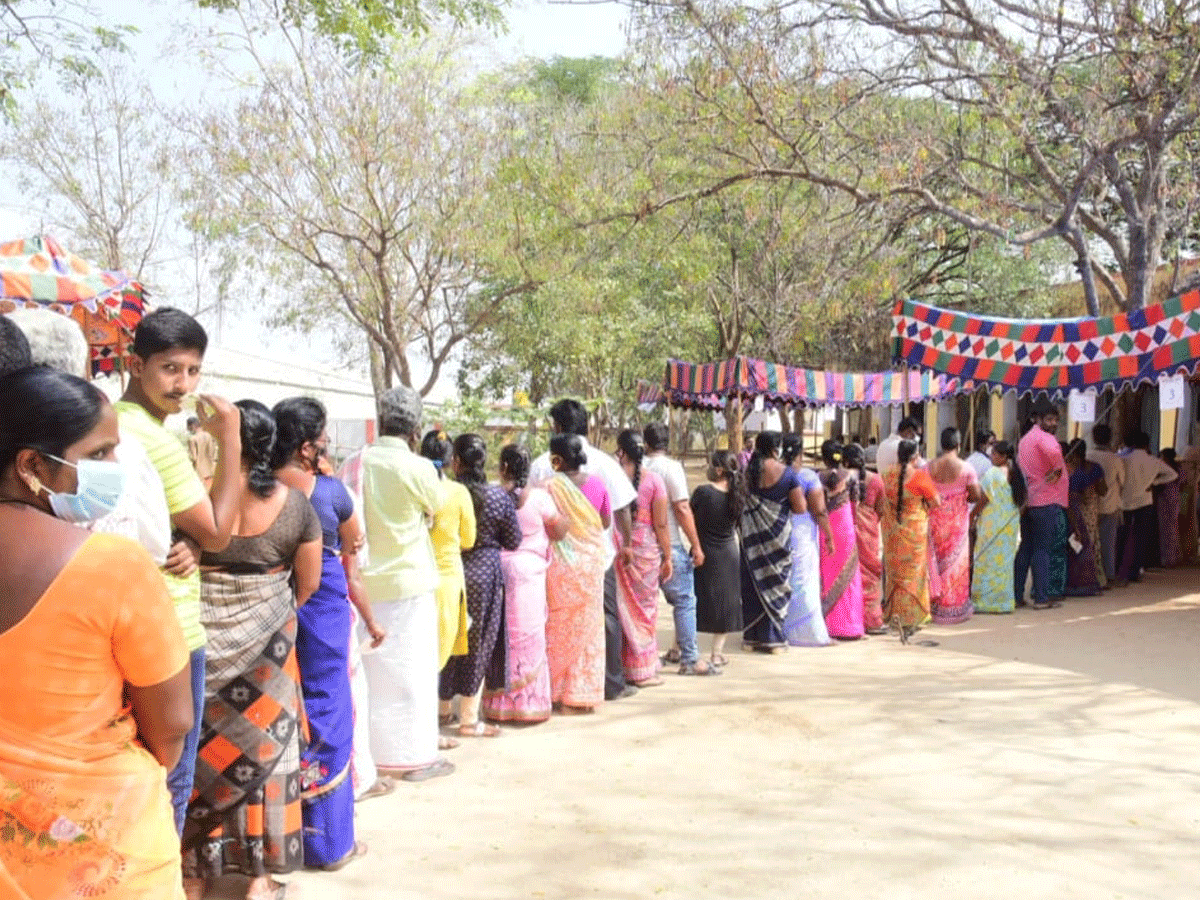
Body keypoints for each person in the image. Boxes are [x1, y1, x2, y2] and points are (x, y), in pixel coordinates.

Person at [0, 366, 192, 899]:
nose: (115, 469)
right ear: (31, 465)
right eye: (100, 454)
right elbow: (172, 725)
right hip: (105, 846)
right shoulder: (113, 566)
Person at [184, 399, 323, 899]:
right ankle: (259, 878)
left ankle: (194, 872)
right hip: (267, 662)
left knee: (200, 755)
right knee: (268, 758)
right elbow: (306, 586)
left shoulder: (195, 498)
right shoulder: (295, 505)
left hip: (200, 656)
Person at [114, 307, 242, 835]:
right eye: (170, 369)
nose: (183, 384)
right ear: (135, 363)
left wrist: (184, 536)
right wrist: (230, 436)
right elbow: (218, 532)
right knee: (166, 782)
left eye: (192, 371)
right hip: (170, 630)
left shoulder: (111, 423)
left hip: (132, 618)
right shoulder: (154, 438)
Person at [273, 397, 387, 870]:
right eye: (321, 436)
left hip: (273, 615)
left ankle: (281, 840)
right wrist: (374, 622)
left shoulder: (258, 490)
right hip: (321, 615)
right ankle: (329, 844)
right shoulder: (329, 493)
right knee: (329, 714)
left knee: (282, 715)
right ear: (307, 446)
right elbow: (354, 551)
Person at [359, 386, 454, 781]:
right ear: (415, 430)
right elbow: (437, 506)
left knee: (372, 677)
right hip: (410, 583)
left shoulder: (356, 462)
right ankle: (413, 757)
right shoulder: (418, 468)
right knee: (412, 675)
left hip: (365, 585)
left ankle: (372, 757)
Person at [529, 399, 637, 701]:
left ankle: (553, 686)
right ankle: (610, 684)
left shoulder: (544, 465)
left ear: (558, 427)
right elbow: (621, 510)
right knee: (605, 619)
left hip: (555, 559)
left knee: (555, 619)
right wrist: (626, 544)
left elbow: (530, 508)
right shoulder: (604, 463)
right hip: (596, 558)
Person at [439, 434, 521, 737]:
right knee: (479, 644)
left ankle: (443, 708)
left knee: (448, 640)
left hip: (451, 571)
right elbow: (514, 539)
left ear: (456, 462)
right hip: (485, 575)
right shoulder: (498, 497)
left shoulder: (443, 494)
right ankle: (469, 719)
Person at [483, 444, 568, 723]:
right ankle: (529, 705)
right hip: (529, 574)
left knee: (500, 635)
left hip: (497, 571)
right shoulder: (540, 498)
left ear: (503, 467)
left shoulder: (491, 496)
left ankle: (499, 705)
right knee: (529, 635)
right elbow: (558, 531)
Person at [643, 423, 717, 676]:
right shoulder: (671, 468)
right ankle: (689, 658)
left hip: (641, 546)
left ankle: (643, 660)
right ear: (668, 443)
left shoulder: (635, 468)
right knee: (685, 602)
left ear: (646, 443)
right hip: (669, 545)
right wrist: (695, 545)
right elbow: (682, 508)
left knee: (642, 604)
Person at [543, 433, 610, 713]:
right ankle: (582, 696)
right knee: (590, 628)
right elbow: (605, 522)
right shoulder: (597, 484)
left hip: (562, 566)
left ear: (556, 460)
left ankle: (557, 692)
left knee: (558, 626)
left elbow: (545, 523)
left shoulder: (549, 488)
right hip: (591, 565)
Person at [611, 429, 671, 686]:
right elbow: (661, 524)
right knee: (646, 610)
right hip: (645, 551)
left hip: (620, 548)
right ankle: (642, 670)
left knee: (620, 608)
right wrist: (668, 556)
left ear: (621, 451)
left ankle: (622, 666)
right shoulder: (654, 481)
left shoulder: (612, 478)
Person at [740, 431, 806, 652]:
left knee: (753, 583)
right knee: (775, 582)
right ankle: (773, 639)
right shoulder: (787, 474)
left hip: (751, 540)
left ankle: (752, 636)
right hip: (778, 538)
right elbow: (800, 508)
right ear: (775, 448)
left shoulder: (746, 472)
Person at [420, 430, 476, 671]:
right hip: (447, 582)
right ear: (452, 460)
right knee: (437, 659)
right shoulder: (458, 492)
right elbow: (469, 540)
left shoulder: (415, 491)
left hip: (416, 580)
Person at [882, 439, 941, 638]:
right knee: (914, 575)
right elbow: (936, 502)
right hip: (914, 534)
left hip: (891, 534)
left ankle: (893, 614)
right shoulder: (919, 477)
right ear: (915, 456)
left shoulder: (886, 474)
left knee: (894, 573)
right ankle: (913, 616)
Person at [690, 451, 743, 667]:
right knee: (724, 604)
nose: (708, 468)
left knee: (691, 600)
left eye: (710, 465)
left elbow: (689, 518)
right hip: (728, 554)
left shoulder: (703, 493)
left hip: (703, 552)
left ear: (719, 470)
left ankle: (679, 647)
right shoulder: (738, 495)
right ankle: (716, 653)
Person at [1013, 398, 1068, 609]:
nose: (1053, 423)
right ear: (1036, 419)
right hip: (1046, 500)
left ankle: (1018, 595)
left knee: (1026, 548)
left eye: (1055, 419)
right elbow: (1055, 457)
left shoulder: (1025, 439)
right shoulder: (1044, 438)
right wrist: (1057, 470)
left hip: (1029, 501)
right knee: (1043, 549)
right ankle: (1042, 598)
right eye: (1049, 419)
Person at [781, 433, 833, 647]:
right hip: (803, 531)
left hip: (783, 528)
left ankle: (784, 628)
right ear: (801, 453)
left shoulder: (776, 473)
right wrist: (829, 535)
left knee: (787, 577)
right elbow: (819, 510)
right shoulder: (809, 476)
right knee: (805, 579)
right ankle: (809, 632)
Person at [928, 428, 983, 624]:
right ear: (959, 445)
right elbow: (976, 495)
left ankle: (935, 605)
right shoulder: (966, 468)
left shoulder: (929, 467)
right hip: (957, 523)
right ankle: (954, 606)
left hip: (935, 519)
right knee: (957, 564)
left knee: (936, 561)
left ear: (941, 445)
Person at [1114, 430, 1177, 586]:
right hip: (1145, 501)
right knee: (1141, 538)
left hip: (1125, 501)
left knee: (1122, 536)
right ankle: (1136, 570)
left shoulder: (1123, 459)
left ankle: (1118, 569)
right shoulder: (1153, 461)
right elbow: (1172, 474)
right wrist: (1154, 483)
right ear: (1146, 444)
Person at [818, 440, 865, 639]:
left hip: (826, 529)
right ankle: (850, 626)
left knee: (827, 574)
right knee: (850, 576)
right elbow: (856, 504)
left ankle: (829, 625)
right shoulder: (852, 477)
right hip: (845, 527)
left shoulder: (818, 477)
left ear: (823, 457)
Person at [971, 441, 1025, 613]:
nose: (991, 457)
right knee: (1004, 564)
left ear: (1003, 457)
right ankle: (1004, 601)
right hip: (1009, 526)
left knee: (985, 560)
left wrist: (972, 515)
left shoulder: (993, 474)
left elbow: (983, 498)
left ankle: (985, 602)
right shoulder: (1016, 474)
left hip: (992, 524)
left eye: (995, 454)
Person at [846, 443, 886, 633]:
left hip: (846, 530)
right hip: (869, 532)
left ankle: (851, 618)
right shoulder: (876, 480)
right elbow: (882, 509)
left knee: (849, 576)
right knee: (870, 576)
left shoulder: (839, 479)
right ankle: (872, 620)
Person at [1063, 439, 1106, 596]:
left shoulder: (1060, 471)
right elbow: (1099, 492)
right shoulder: (1091, 468)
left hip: (1064, 512)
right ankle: (1089, 582)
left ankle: (1066, 583)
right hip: (1083, 511)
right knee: (1087, 545)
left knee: (1068, 547)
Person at [1089, 424, 1126, 582]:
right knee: (1108, 543)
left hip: (1090, 506)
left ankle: (1090, 574)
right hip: (1110, 505)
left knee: (1090, 542)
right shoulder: (1115, 459)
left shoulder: (1087, 455)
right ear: (1110, 438)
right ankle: (1109, 574)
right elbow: (1122, 482)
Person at [1156, 448, 1182, 568]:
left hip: (1165, 500)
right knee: (1173, 528)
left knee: (1165, 530)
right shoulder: (1178, 468)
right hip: (1175, 499)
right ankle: (1173, 557)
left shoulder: (1164, 468)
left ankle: (1167, 559)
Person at [187, 416, 219, 488]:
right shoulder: (211, 436)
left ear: (192, 426)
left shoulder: (192, 439)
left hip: (201, 474)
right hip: (214, 471)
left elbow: (194, 458)